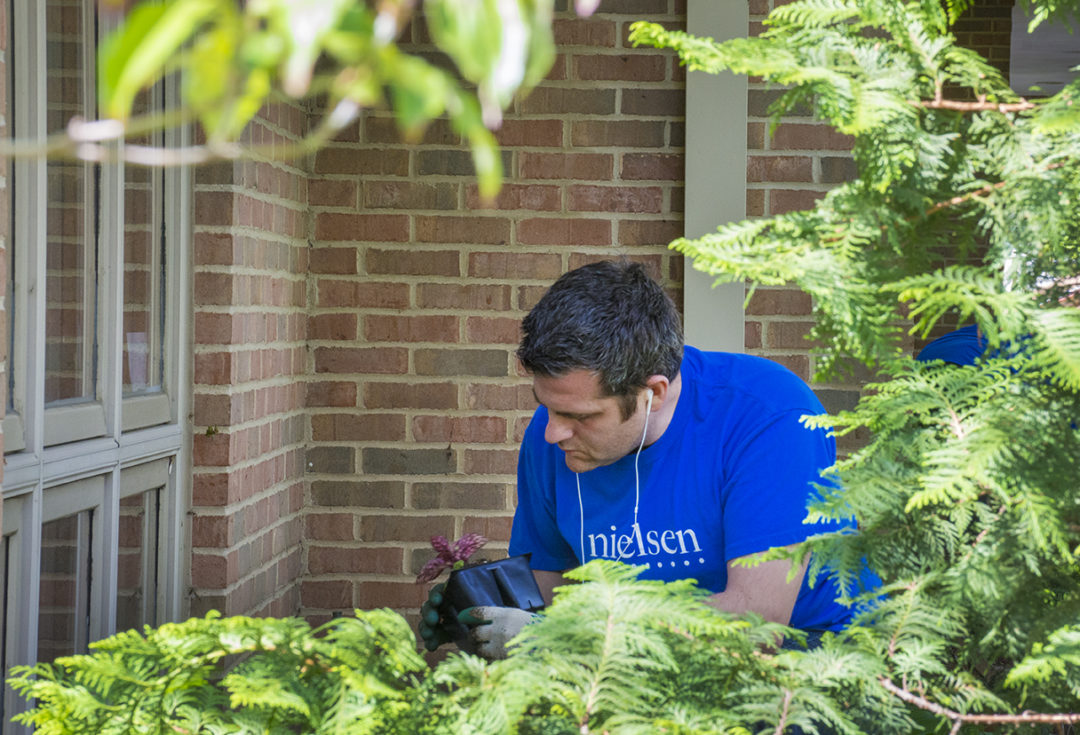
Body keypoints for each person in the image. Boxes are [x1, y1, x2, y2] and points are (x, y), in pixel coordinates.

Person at [420, 260, 868, 659]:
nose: (553, 431)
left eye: (579, 416)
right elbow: (551, 584)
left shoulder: (769, 418)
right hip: (634, 669)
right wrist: (478, 607)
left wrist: (562, 639)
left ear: (652, 393)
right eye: (546, 406)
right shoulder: (552, 434)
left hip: (813, 663)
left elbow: (755, 625)